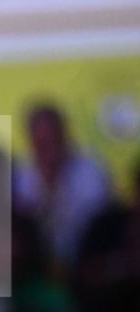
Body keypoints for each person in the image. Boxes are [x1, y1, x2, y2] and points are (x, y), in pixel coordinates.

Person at [14, 102, 112, 269]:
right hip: (39, 269)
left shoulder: (91, 171)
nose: (48, 149)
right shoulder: (23, 177)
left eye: (52, 139)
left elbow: (94, 223)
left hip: (87, 263)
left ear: (64, 134)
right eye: (41, 142)